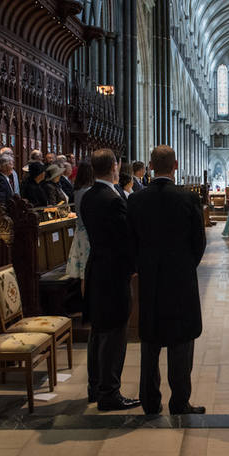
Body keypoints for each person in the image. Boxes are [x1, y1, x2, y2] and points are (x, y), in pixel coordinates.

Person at [127, 145, 206, 415]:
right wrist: (184, 267)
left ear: (150, 165)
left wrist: (143, 267)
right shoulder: (188, 199)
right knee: (181, 342)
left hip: (149, 280)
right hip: (181, 281)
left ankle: (150, 402)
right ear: (175, 166)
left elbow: (131, 241)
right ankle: (180, 402)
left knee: (150, 342)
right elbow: (199, 242)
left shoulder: (136, 200)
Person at [80, 149, 139, 411]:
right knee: (115, 333)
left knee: (99, 331)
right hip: (114, 274)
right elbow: (125, 239)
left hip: (96, 270)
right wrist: (135, 267)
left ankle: (95, 387)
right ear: (114, 166)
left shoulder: (89, 196)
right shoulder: (112, 199)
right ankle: (109, 393)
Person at [66, 161, 93, 291]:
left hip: (81, 232)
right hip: (88, 233)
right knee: (87, 273)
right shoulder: (88, 191)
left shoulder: (78, 189)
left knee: (84, 273)